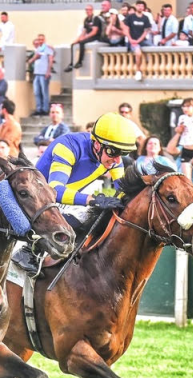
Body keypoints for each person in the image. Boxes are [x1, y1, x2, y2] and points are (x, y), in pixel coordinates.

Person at [14, 112, 141, 274]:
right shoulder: (68, 147)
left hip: (60, 203)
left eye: (122, 154)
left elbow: (124, 190)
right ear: (97, 144)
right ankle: (28, 251)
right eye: (113, 152)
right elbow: (55, 191)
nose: (117, 160)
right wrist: (93, 199)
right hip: (34, 201)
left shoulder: (112, 158)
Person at [68, 4, 103, 70]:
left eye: (89, 10)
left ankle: (80, 62)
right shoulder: (86, 19)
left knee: (82, 42)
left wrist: (85, 37)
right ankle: (71, 63)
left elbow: (94, 31)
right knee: (73, 44)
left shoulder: (95, 19)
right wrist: (77, 39)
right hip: (89, 36)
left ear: (92, 10)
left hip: (96, 37)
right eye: (86, 10)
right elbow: (84, 31)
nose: (87, 11)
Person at [28, 34, 54, 116]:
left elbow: (50, 60)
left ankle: (45, 109)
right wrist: (35, 58)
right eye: (39, 39)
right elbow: (32, 60)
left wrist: (48, 71)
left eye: (42, 39)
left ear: (44, 40)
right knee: (36, 92)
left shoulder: (48, 48)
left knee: (44, 92)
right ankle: (39, 109)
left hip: (44, 73)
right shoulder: (38, 49)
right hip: (37, 73)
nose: (40, 41)